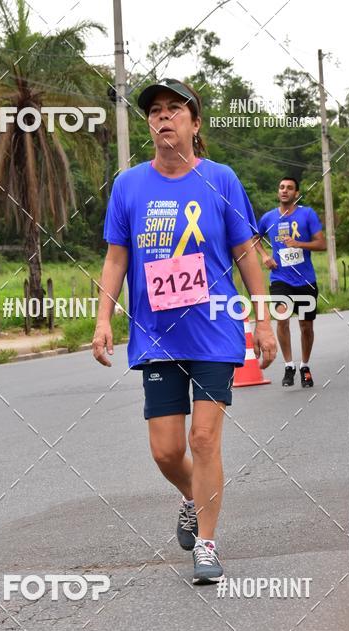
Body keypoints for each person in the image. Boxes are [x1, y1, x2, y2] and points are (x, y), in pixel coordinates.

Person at [92, 78, 277, 584]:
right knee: (167, 449)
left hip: (215, 328)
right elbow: (115, 257)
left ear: (195, 124)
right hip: (156, 334)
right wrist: (104, 318)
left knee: (203, 438)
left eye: (175, 110)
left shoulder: (221, 178)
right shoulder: (128, 185)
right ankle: (191, 497)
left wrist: (262, 320)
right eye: (155, 111)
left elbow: (246, 256)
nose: (163, 118)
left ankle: (208, 545)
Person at [255, 178, 326, 388]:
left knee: (306, 326)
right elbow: (254, 238)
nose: (285, 191)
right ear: (278, 192)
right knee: (282, 318)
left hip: (305, 280)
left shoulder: (307, 214)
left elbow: (321, 243)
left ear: (297, 193)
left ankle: (304, 365)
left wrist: (299, 244)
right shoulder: (268, 217)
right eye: (282, 187)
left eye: (290, 188)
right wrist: (264, 256)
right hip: (280, 278)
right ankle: (288, 366)